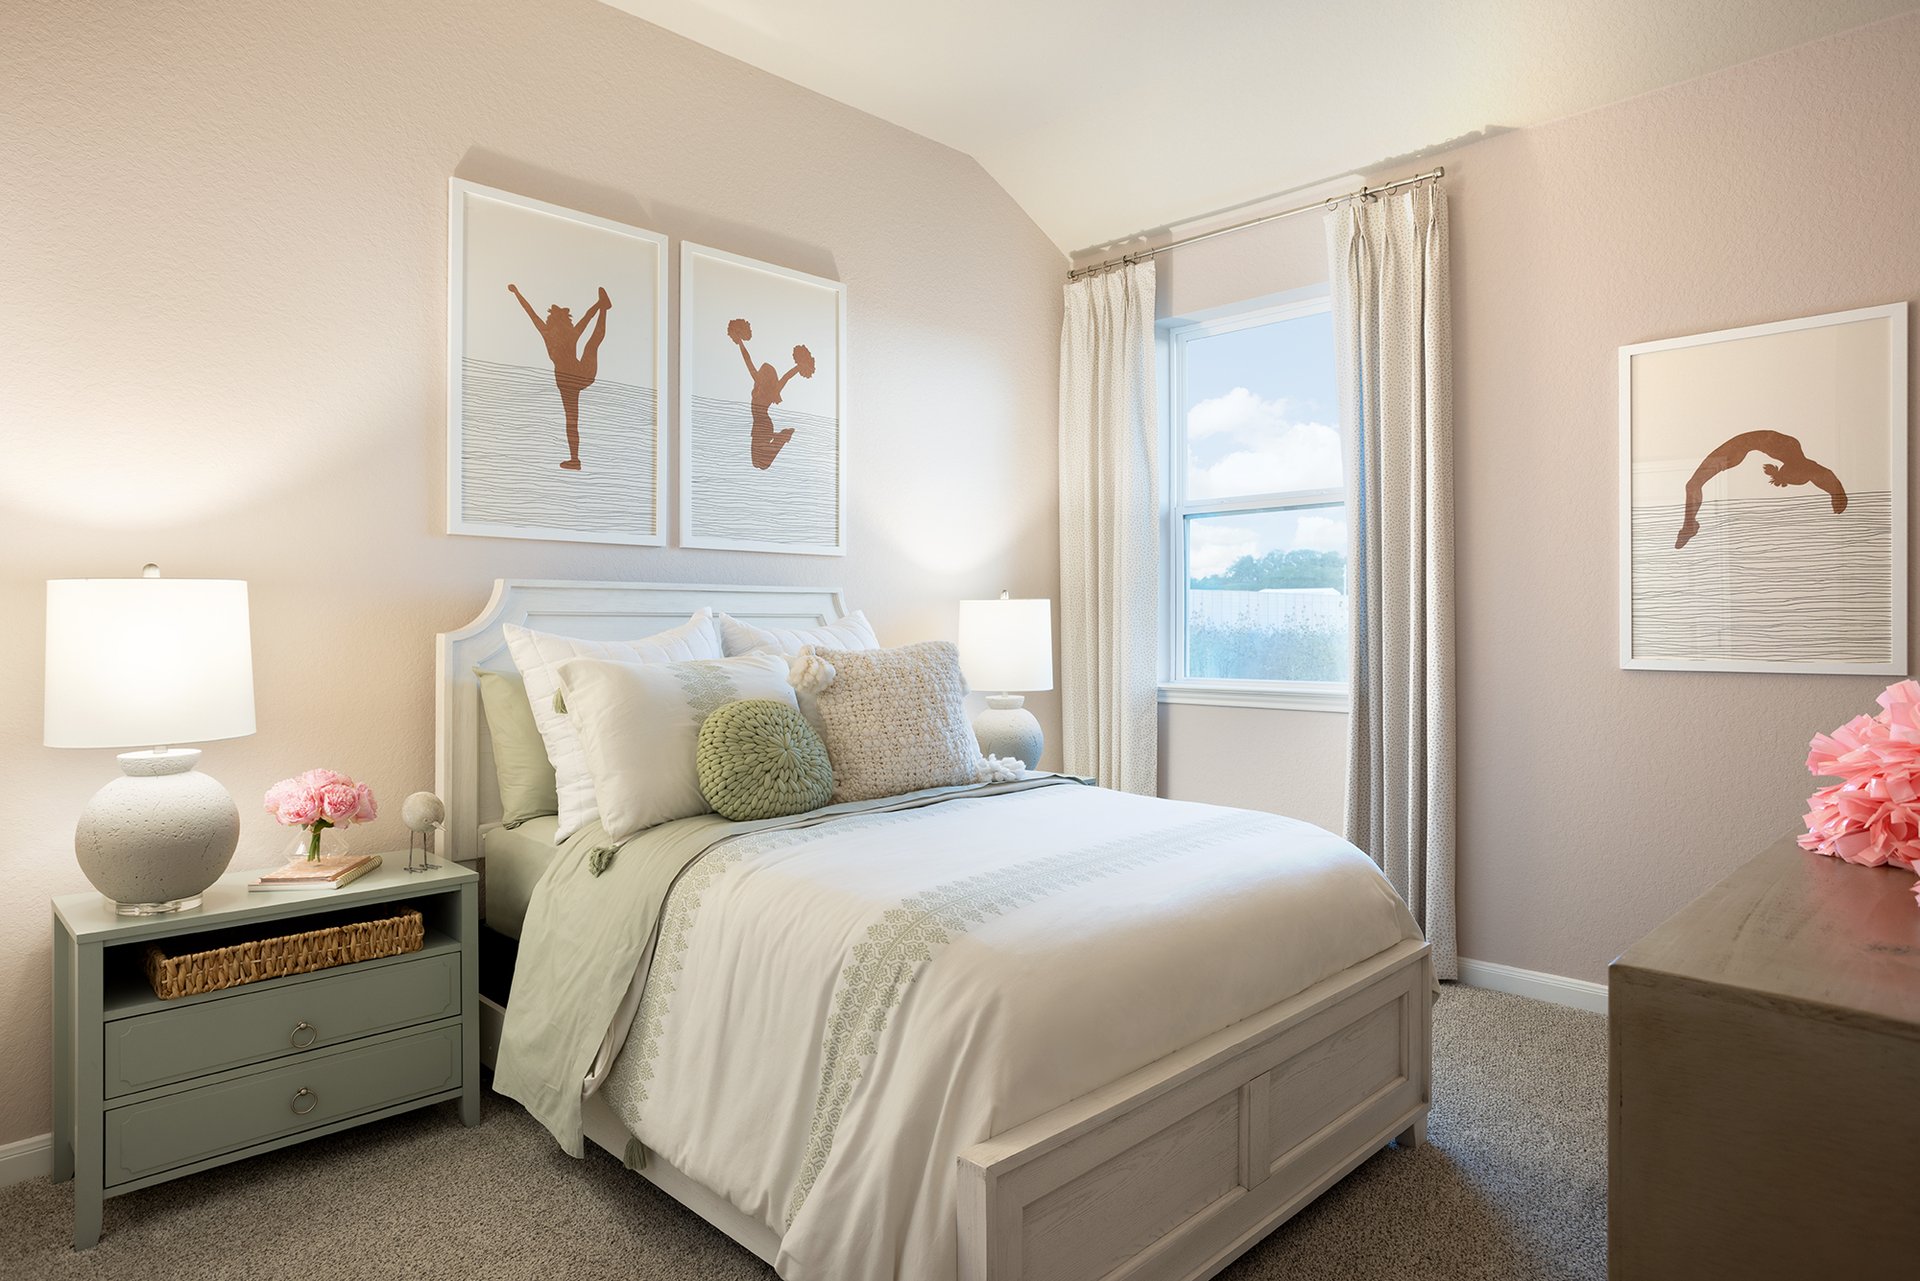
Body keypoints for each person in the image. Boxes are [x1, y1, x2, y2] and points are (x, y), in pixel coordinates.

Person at [1673, 429, 1847, 549]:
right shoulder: (1792, 448)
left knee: (1693, 484)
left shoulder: (1791, 450)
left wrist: (1837, 493)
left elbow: (1821, 474)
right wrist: (1837, 493)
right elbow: (1822, 473)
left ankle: (1689, 525)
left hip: (1739, 448)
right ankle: (1689, 525)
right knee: (1693, 484)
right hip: (1739, 447)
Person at [508, 284, 611, 470]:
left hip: (567, 381)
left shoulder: (547, 333)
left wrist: (517, 293)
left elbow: (530, 311)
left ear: (550, 320)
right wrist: (599, 305)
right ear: (566, 320)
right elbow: (587, 317)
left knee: (572, 419)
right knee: (592, 345)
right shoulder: (571, 332)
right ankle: (605, 309)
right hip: (582, 374)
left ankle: (575, 459)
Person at [728, 317, 816, 470]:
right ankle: (781, 437)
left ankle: (781, 437)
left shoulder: (762, 388)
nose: (760, 373)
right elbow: (785, 378)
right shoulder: (769, 390)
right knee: (760, 463)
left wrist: (800, 366)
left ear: (763, 376)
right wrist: (740, 342)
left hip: (762, 424)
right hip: (762, 424)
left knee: (760, 463)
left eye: (762, 372)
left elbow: (749, 361)